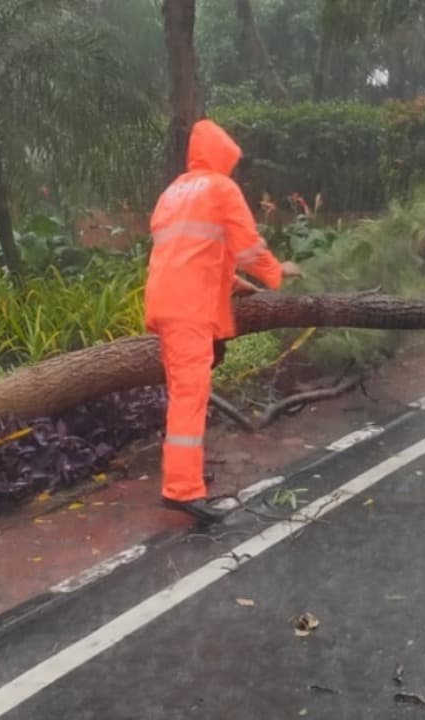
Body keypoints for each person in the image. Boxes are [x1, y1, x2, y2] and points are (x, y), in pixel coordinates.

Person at [145, 118, 302, 523]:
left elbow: (191, 252)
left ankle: (185, 472)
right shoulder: (220, 188)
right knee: (189, 395)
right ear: (222, 156)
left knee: (185, 390)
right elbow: (247, 247)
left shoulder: (172, 193)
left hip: (166, 302)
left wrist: (235, 285)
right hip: (189, 310)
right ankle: (181, 490)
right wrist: (276, 272)